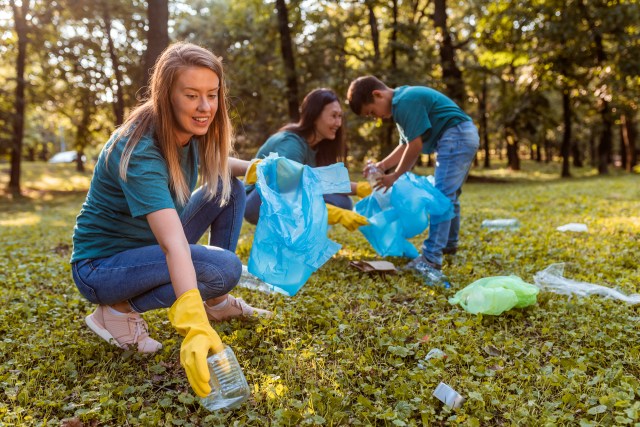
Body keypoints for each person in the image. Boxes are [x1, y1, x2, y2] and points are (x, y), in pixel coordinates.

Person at [70, 42, 270, 398]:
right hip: (102, 268)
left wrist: (262, 170)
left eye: (212, 94)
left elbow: (218, 165)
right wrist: (193, 324)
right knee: (223, 268)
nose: (205, 107)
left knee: (230, 188)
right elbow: (172, 244)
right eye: (192, 95)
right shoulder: (140, 150)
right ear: (167, 95)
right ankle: (116, 311)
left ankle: (217, 302)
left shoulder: (190, 129)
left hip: (144, 248)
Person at [346, 76, 479, 276]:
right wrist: (381, 166)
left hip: (456, 135)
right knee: (448, 195)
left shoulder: (405, 102)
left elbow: (415, 147)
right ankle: (449, 244)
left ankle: (431, 258)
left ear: (377, 94)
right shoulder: (401, 101)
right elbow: (405, 145)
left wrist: (395, 176)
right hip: (461, 133)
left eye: (372, 112)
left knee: (441, 197)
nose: (376, 118)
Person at [243, 88, 370, 231]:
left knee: (342, 202)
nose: (338, 123)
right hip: (257, 202)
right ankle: (289, 241)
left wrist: (359, 188)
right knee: (332, 205)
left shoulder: (316, 146)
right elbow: (285, 190)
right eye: (333, 116)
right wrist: (334, 213)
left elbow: (317, 180)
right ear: (315, 116)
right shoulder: (292, 144)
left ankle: (304, 240)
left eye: (340, 116)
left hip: (284, 195)